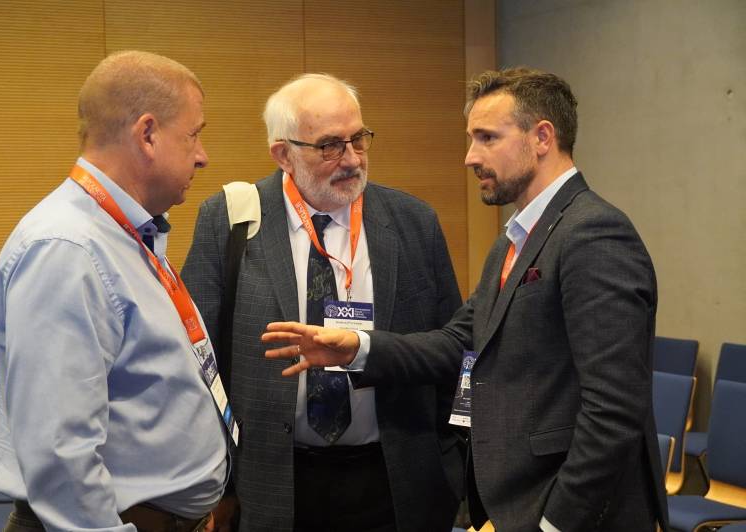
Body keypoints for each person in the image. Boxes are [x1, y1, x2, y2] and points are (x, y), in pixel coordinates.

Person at [263, 67, 670, 532]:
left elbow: (614, 410)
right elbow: (459, 341)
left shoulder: (593, 233)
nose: (470, 157)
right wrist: (357, 349)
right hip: (524, 501)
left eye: (487, 138)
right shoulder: (516, 240)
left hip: (575, 514)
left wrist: (555, 524)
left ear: (542, 138)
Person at [181, 73, 464, 532]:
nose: (351, 159)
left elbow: (458, 352)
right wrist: (214, 484)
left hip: (396, 483)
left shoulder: (414, 222)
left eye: (358, 139)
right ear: (283, 154)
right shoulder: (229, 222)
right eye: (330, 145)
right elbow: (197, 362)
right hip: (273, 486)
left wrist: (458, 466)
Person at [0, 50, 231, 532]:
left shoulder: (123, 233)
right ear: (147, 135)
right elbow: (62, 456)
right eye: (193, 135)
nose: (202, 155)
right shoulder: (68, 249)